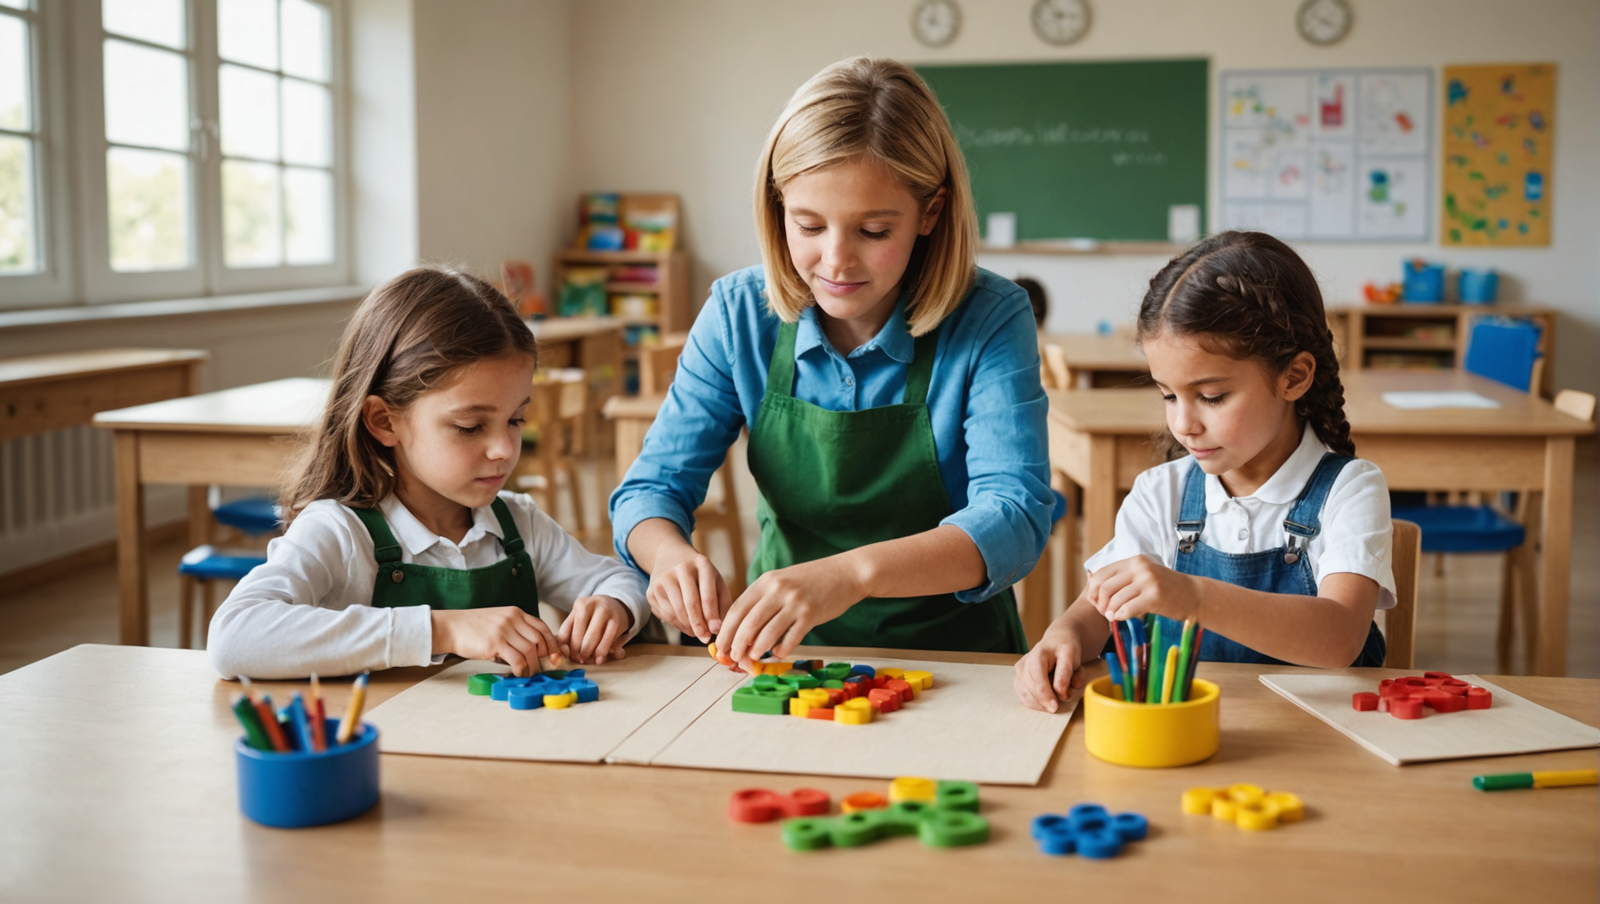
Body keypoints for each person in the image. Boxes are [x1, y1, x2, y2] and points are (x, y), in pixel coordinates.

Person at [610, 57, 1053, 669]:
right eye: (809, 225)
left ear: (931, 212)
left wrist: (853, 574)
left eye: (873, 230)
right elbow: (650, 489)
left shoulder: (991, 316)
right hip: (783, 657)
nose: (836, 261)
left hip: (957, 660)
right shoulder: (739, 312)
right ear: (777, 205)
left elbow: (1016, 516)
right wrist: (667, 557)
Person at [1014, 231, 1394, 712]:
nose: (1182, 424)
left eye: (1211, 397)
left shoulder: (1350, 489)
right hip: (1184, 737)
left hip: (1322, 743)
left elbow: (1339, 636)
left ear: (1293, 377)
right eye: (1168, 395)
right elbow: (1098, 607)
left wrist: (1190, 595)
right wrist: (1062, 636)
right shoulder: (1161, 493)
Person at [209, 268, 647, 680]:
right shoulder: (339, 531)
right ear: (384, 421)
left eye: (515, 420)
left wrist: (614, 606)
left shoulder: (519, 524)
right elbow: (235, 636)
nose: (504, 449)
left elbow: (623, 579)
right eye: (470, 427)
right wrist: (442, 630)